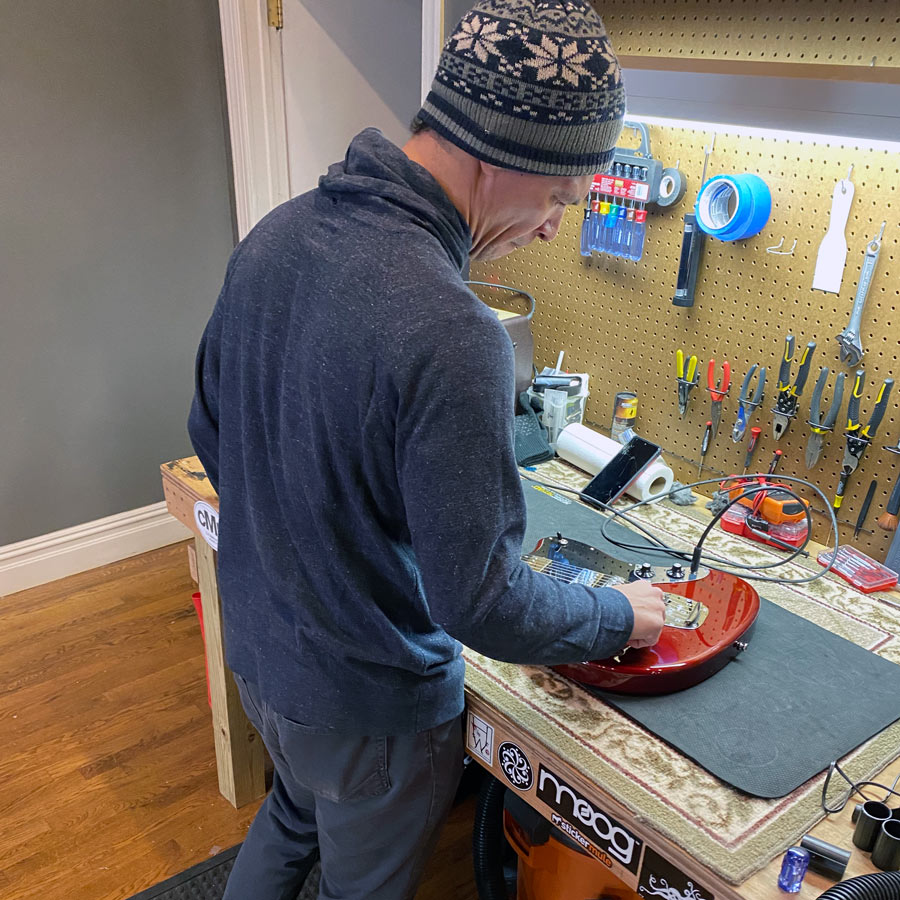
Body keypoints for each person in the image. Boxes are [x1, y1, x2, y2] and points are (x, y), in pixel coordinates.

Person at [188, 1, 666, 897]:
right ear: (500, 153)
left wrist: (320, 547)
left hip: (265, 658)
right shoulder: (453, 330)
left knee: (294, 813)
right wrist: (618, 618)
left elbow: (213, 432)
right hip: (369, 707)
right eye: (560, 195)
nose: (558, 226)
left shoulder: (275, 235)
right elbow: (479, 603)